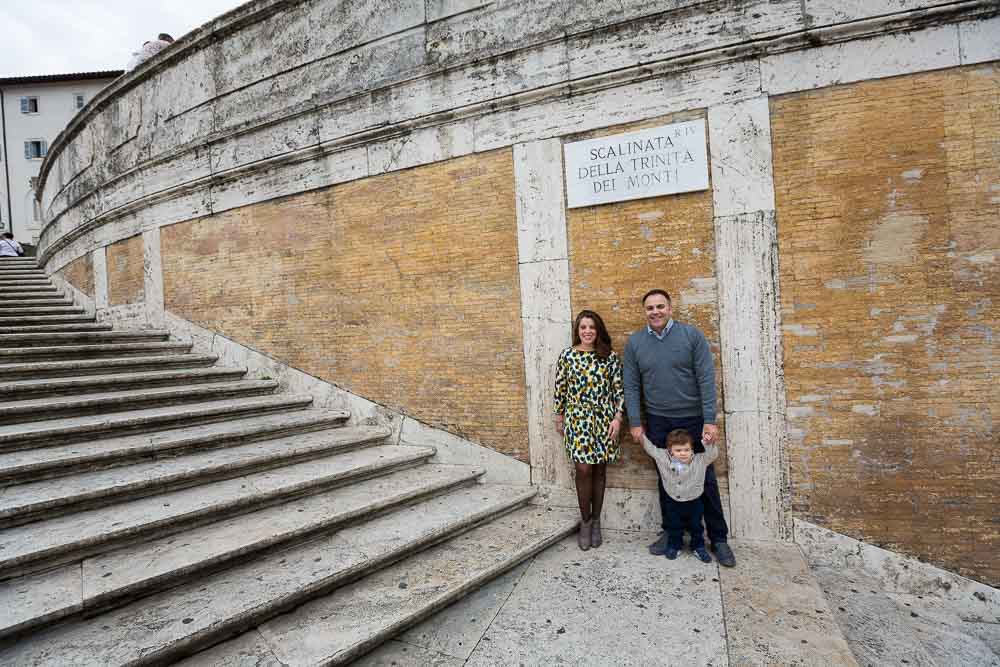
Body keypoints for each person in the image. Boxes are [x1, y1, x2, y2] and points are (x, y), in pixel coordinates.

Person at [623, 289, 736, 567]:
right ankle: (672, 533)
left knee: (704, 479)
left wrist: (709, 419)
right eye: (650, 308)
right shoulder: (635, 343)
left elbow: (706, 378)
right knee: (667, 478)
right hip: (659, 421)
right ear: (644, 311)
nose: (655, 312)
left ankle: (718, 538)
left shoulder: (691, 336)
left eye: (660, 306)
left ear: (670, 308)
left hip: (693, 420)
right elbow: (631, 385)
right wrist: (636, 422)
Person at [554, 310, 624, 551]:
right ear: (577, 330)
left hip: (604, 420)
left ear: (598, 330)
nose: (587, 331)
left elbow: (618, 390)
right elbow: (560, 388)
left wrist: (618, 417)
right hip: (578, 419)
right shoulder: (567, 356)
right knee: (583, 470)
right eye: (583, 327)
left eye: (592, 327)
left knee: (600, 471)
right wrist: (559, 416)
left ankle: (596, 523)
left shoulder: (609, 357)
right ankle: (584, 522)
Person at [641, 429, 718, 561]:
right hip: (673, 500)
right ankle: (675, 545)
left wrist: (708, 443)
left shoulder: (700, 460)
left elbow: (712, 455)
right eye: (678, 450)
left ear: (691, 449)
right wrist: (641, 435)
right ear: (670, 450)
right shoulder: (663, 458)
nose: (683, 453)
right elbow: (651, 449)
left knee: (696, 526)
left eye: (686, 450)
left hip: (694, 501)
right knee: (674, 525)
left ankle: (698, 547)